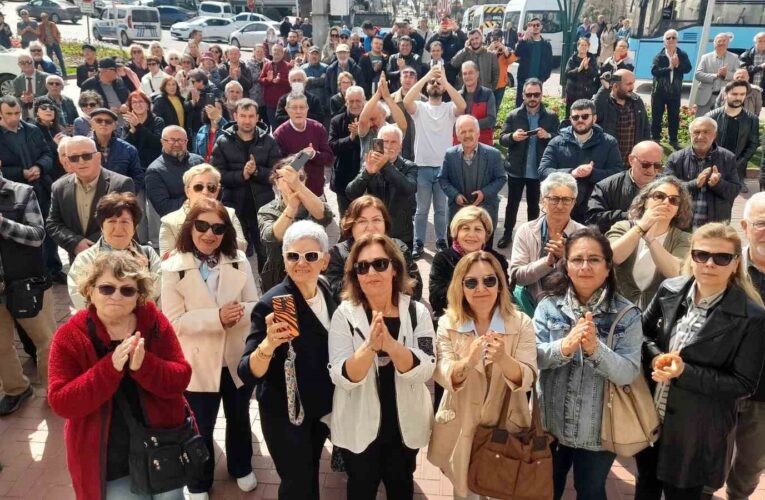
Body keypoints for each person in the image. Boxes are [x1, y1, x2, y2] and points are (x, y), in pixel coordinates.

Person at [47, 252, 191, 500]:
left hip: (163, 446)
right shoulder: (70, 336)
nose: (116, 296)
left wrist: (145, 366)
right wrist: (109, 370)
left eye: (127, 290)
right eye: (106, 288)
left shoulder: (154, 322)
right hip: (108, 461)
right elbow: (61, 401)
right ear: (90, 291)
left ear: (138, 296)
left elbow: (181, 378)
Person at [636, 223, 765, 499]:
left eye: (721, 257)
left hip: (697, 432)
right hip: (651, 419)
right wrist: (657, 357)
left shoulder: (751, 316)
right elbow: (641, 334)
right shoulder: (670, 289)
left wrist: (684, 372)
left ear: (735, 263)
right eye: (701, 255)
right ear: (691, 258)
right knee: (645, 487)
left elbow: (743, 384)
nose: (709, 263)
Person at [535, 227, 643, 500]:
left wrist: (596, 350)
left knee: (591, 491)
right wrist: (565, 346)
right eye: (577, 259)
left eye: (594, 259)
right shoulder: (548, 306)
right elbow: (534, 356)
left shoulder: (627, 314)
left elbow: (627, 373)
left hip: (597, 432)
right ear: (566, 266)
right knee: (546, 489)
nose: (585, 266)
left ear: (608, 267)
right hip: (551, 426)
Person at [160, 198, 258, 498]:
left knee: (239, 417)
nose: (209, 234)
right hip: (199, 361)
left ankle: (241, 466)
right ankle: (199, 481)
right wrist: (216, 318)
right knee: (200, 424)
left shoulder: (239, 261)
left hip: (234, 357)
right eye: (202, 226)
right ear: (190, 227)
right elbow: (173, 321)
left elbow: (256, 305)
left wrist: (236, 314)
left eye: (217, 228)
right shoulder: (172, 268)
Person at [328, 233, 435, 500]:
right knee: (360, 490)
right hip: (359, 426)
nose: (371, 272)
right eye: (362, 267)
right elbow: (341, 375)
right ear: (355, 275)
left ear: (394, 268)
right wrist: (370, 348)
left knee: (401, 489)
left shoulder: (417, 312)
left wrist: (391, 345)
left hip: (403, 429)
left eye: (380, 264)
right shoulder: (344, 314)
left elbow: (425, 369)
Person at [428, 249, 536, 499]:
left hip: (505, 427)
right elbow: (442, 370)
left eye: (489, 280)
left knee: (500, 490)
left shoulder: (521, 323)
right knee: (464, 492)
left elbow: (528, 376)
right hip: (462, 426)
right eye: (471, 282)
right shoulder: (448, 323)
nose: (481, 288)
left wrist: (503, 359)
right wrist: (467, 362)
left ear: (500, 284)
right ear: (460, 287)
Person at [239, 220, 335, 499]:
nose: (301, 263)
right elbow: (247, 371)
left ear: (325, 261)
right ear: (284, 259)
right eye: (293, 255)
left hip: (317, 409)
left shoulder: (326, 290)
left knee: (309, 472)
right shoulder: (273, 303)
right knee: (296, 484)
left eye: (311, 256)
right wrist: (268, 344)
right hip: (285, 415)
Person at [0, 161, 55, 416]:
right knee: (1, 346)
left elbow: (37, 236)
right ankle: (16, 389)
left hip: (27, 284)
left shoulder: (22, 193)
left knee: (45, 341)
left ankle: (54, 390)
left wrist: (2, 224)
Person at [404, 64, 466, 258]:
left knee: (441, 209)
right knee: (421, 210)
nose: (435, 85)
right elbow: (407, 100)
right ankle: (418, 243)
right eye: (433, 83)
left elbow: (462, 105)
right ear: (426, 87)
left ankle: (441, 241)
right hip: (421, 167)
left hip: (442, 169)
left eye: (438, 83)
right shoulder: (420, 108)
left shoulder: (449, 109)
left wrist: (445, 82)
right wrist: (427, 77)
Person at [210, 99, 281, 269]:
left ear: (258, 117)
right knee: (233, 254)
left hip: (263, 206)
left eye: (251, 116)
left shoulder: (269, 141)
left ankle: (267, 291)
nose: (247, 120)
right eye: (243, 116)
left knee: (266, 254)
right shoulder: (222, 142)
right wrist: (241, 174)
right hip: (234, 205)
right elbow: (217, 175)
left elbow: (276, 173)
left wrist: (256, 171)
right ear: (235, 116)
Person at [0, 95, 62, 281]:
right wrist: (21, 173)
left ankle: (53, 268)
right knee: (26, 234)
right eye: (9, 113)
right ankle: (36, 273)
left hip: (40, 188)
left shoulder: (32, 130)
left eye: (17, 112)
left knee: (48, 230)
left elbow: (47, 153)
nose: (14, 117)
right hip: (12, 196)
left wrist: (39, 167)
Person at [727, 193, 765, 499]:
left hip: (763, 394)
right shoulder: (725, 266)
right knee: (708, 459)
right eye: (762, 223)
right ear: (744, 226)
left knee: (751, 465)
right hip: (720, 386)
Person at [606, 177, 692, 309]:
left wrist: (651, 241)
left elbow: (676, 273)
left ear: (678, 210)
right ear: (645, 201)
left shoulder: (684, 238)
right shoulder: (623, 227)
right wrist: (640, 228)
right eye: (659, 196)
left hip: (657, 314)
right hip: (617, 309)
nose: (666, 202)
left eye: (674, 200)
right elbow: (611, 257)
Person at [47, 136, 135, 262]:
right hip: (78, 262)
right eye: (74, 158)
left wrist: (92, 246)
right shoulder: (59, 187)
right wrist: (75, 242)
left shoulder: (121, 184)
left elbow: (129, 221)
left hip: (116, 260)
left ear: (98, 157)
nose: (81, 161)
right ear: (67, 162)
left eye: (86, 155)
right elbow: (53, 223)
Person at [68, 192, 161, 309]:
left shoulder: (148, 256)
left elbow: (161, 295)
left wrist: (144, 273)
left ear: (135, 227)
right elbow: (82, 301)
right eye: (111, 221)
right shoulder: (86, 259)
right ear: (101, 227)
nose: (118, 228)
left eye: (124, 222)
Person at [497, 78, 559, 248]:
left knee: (534, 206)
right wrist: (512, 137)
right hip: (517, 169)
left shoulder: (551, 116)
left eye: (536, 94)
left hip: (538, 170)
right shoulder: (514, 115)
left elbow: (560, 139)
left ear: (541, 95)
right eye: (529, 94)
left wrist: (548, 136)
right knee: (512, 205)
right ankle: (507, 233)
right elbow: (502, 139)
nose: (533, 98)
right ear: (523, 95)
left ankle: (532, 236)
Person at [539, 99, 623, 223]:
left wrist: (592, 173)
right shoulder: (557, 142)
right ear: (570, 119)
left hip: (594, 208)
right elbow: (543, 171)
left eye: (584, 116)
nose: (580, 120)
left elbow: (617, 173)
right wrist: (571, 173)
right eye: (575, 117)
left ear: (594, 118)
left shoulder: (609, 142)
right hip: (561, 207)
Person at [325, 194, 422, 301]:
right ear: (351, 225)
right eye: (362, 221)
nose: (370, 227)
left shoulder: (399, 248)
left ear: (385, 223)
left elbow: (415, 290)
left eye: (376, 220)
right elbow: (336, 296)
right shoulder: (336, 253)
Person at [257, 156, 333, 292]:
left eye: (300, 178)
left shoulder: (312, 204)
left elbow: (325, 216)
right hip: (279, 278)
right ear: (277, 182)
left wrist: (297, 185)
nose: (293, 182)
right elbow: (270, 237)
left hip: (312, 272)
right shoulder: (267, 210)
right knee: (283, 313)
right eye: (287, 178)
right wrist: (291, 208)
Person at [510, 172, 585, 309]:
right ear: (543, 201)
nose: (560, 206)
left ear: (574, 202)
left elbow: (591, 278)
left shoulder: (584, 235)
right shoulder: (526, 231)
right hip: (531, 304)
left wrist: (567, 258)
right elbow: (517, 277)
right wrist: (547, 262)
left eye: (566, 200)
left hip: (573, 306)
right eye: (554, 199)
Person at [346, 124, 418, 250]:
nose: (389, 146)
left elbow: (409, 189)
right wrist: (367, 173)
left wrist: (385, 166)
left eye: (394, 142)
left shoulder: (409, 166)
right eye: (385, 142)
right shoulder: (369, 165)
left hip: (400, 233)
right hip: (373, 231)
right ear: (377, 144)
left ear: (400, 146)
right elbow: (351, 193)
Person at [664, 116, 740, 228]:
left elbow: (734, 191)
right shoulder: (676, 158)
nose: (700, 136)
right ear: (690, 134)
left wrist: (718, 184)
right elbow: (665, 189)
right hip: (681, 226)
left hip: (714, 227)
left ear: (714, 135)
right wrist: (694, 184)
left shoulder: (727, 158)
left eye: (706, 132)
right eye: (696, 132)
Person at [438, 115, 507, 238]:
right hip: (458, 211)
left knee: (484, 252)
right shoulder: (450, 154)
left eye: (471, 131)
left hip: (485, 210)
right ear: (457, 135)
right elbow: (443, 179)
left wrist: (484, 193)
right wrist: (455, 195)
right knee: (455, 250)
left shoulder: (493, 154)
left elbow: (501, 178)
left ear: (478, 133)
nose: (467, 135)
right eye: (463, 132)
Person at [158, 164, 246, 259]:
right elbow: (166, 262)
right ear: (187, 191)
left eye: (211, 187)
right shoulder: (169, 222)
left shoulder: (229, 214)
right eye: (198, 187)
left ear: (217, 191)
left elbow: (240, 248)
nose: (205, 192)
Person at [586, 140, 665, 233]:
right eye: (645, 164)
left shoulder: (669, 187)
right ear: (631, 160)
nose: (651, 170)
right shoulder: (606, 187)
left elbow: (682, 218)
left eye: (657, 165)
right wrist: (628, 216)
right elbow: (592, 219)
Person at [272, 94, 333, 197]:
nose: (298, 111)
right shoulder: (279, 134)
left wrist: (313, 154)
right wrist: (300, 158)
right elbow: (277, 172)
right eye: (294, 107)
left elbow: (329, 159)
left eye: (302, 107)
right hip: (293, 194)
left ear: (307, 109)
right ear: (287, 109)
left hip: (317, 192)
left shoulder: (318, 128)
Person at [706, 80, 760, 193]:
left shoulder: (752, 119)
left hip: (737, 169)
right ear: (725, 95)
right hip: (712, 167)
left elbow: (753, 144)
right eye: (734, 94)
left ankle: (739, 179)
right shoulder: (712, 116)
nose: (738, 98)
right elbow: (704, 142)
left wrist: (738, 162)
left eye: (742, 94)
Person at [146, 125, 205, 229]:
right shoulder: (154, 171)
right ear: (162, 142)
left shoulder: (199, 161)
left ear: (187, 141)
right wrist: (195, 197)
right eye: (172, 140)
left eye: (181, 140)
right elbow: (164, 207)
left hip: (205, 221)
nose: (177, 144)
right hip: (176, 226)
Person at [593, 69, 651, 164]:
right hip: (610, 161)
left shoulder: (637, 101)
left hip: (633, 162)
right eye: (628, 84)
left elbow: (645, 128)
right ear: (615, 87)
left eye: (633, 83)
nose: (632, 87)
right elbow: (595, 112)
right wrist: (604, 88)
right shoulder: (604, 103)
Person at [651, 30, 692, 150]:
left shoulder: (682, 55)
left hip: (675, 92)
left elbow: (688, 69)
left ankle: (673, 140)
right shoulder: (659, 56)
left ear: (677, 41)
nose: (671, 40)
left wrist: (678, 65)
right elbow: (654, 71)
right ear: (664, 42)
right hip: (659, 92)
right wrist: (670, 68)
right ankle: (655, 139)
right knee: (656, 117)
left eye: (673, 38)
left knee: (674, 117)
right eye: (668, 38)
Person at [328, 85, 364, 217]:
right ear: (346, 102)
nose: (355, 104)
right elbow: (331, 146)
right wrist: (351, 138)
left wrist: (362, 135)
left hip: (366, 177)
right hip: (344, 177)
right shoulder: (337, 121)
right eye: (351, 101)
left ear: (364, 100)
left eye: (358, 101)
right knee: (346, 216)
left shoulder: (372, 118)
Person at [90, 108, 144, 194]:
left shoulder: (128, 149)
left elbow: (137, 177)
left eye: (108, 121)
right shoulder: (82, 148)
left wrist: (125, 198)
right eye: (99, 120)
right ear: (92, 124)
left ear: (115, 125)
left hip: (120, 201)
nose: (103, 124)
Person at [694, 33, 739, 117]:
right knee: (701, 122)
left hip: (724, 97)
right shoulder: (705, 57)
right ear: (714, 43)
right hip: (705, 97)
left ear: (728, 43)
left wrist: (726, 74)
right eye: (719, 41)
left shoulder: (734, 57)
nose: (721, 43)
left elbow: (738, 77)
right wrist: (716, 75)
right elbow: (698, 75)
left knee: (721, 124)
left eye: (724, 41)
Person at [514, 18, 554, 107]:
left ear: (541, 27)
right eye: (532, 25)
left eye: (537, 25)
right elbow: (517, 53)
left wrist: (544, 77)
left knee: (535, 105)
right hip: (523, 81)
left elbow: (549, 62)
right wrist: (524, 38)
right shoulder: (525, 42)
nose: (535, 27)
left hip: (538, 81)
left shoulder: (546, 44)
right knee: (520, 106)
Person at [455, 61, 496, 145]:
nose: (467, 76)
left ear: (477, 74)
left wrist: (471, 125)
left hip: (482, 142)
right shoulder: (457, 95)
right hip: (462, 143)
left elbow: (491, 119)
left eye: (470, 73)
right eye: (464, 73)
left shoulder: (487, 94)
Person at [259, 44, 293, 127]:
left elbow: (292, 83)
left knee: (285, 127)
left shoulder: (288, 66)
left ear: (283, 53)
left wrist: (280, 81)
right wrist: (268, 80)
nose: (277, 52)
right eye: (275, 50)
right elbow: (260, 80)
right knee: (274, 127)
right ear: (271, 52)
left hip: (284, 104)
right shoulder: (267, 65)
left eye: (280, 50)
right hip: (270, 104)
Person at [564, 38, 599, 116]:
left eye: (585, 45)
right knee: (571, 113)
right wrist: (579, 69)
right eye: (582, 45)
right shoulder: (572, 59)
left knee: (584, 113)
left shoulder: (592, 59)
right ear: (578, 46)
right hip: (572, 92)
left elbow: (595, 74)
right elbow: (567, 74)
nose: (583, 47)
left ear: (588, 47)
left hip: (586, 92)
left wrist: (587, 68)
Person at [13, 51, 49, 122]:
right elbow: (16, 98)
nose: (26, 64)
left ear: (33, 62)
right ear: (19, 65)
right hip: (27, 118)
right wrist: (21, 99)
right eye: (22, 63)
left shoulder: (46, 78)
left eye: (29, 62)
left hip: (45, 116)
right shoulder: (17, 81)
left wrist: (35, 98)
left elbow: (53, 97)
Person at [740, 32, 765, 103]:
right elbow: (743, 70)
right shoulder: (746, 55)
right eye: (760, 41)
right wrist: (760, 67)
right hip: (749, 91)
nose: (763, 43)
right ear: (755, 42)